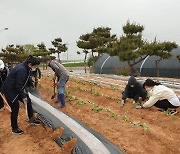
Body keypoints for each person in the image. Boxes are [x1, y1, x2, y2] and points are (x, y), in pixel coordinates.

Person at [1, 55, 41, 135]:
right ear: (30, 64)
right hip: (10, 90)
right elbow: (19, 85)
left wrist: (31, 82)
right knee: (15, 107)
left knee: (28, 100)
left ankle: (31, 119)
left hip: (16, 89)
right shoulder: (22, 70)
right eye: (35, 66)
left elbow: (27, 77)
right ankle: (14, 128)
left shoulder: (26, 67)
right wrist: (23, 97)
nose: (35, 67)